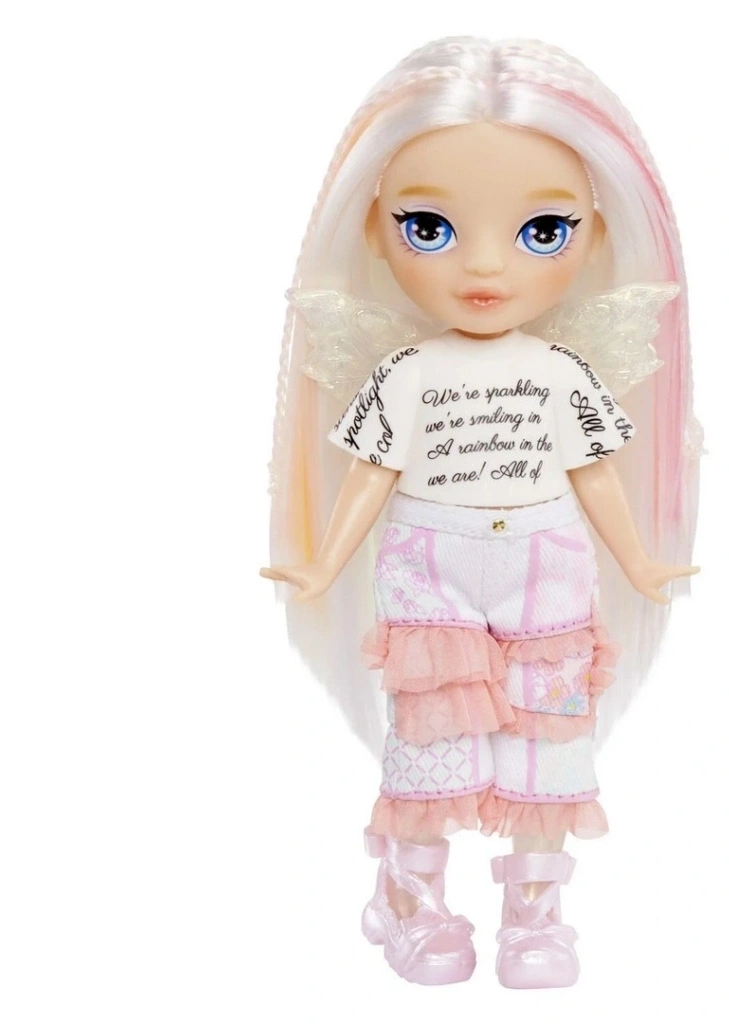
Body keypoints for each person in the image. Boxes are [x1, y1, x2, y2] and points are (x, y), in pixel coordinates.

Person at [261, 35, 703, 988]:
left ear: (595, 233)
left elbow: (595, 474)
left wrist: (639, 561)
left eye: (543, 231)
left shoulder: (561, 372)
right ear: (374, 228)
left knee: (549, 739)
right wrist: (323, 562)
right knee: (431, 738)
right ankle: (409, 899)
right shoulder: (407, 373)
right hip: (432, 568)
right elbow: (372, 474)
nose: (486, 266)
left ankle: (535, 915)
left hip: (548, 568)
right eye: (430, 228)